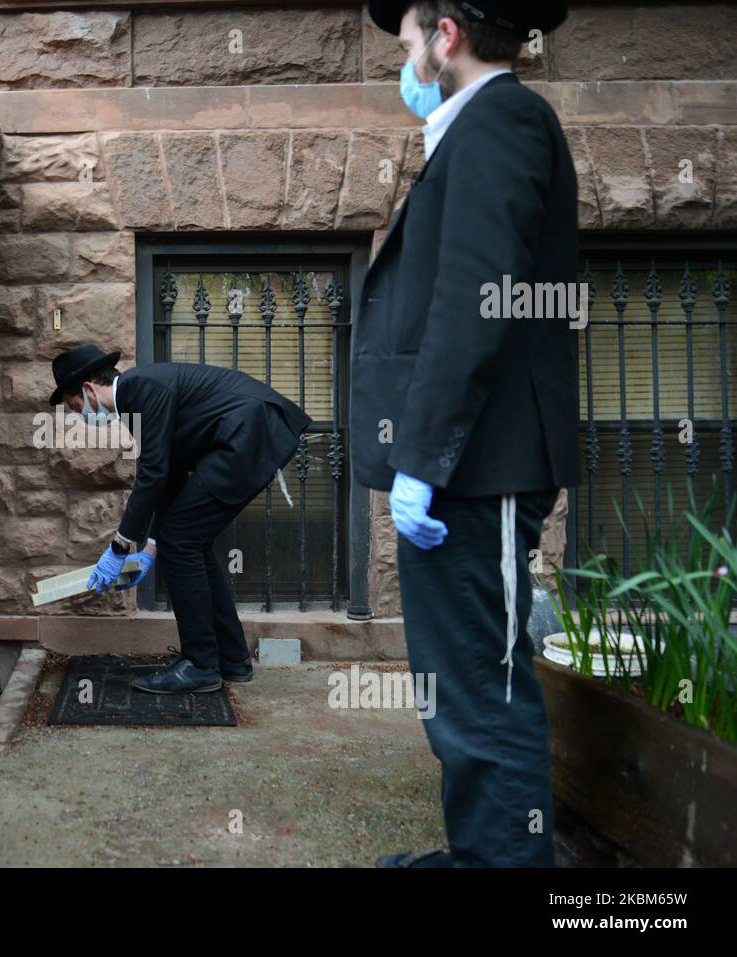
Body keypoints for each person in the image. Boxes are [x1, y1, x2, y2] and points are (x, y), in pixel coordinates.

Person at [354, 0, 581, 867]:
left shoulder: (503, 119)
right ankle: (487, 853)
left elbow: (475, 299)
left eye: (408, 41)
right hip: (470, 466)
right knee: (459, 683)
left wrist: (424, 459)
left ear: (445, 36)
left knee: (482, 687)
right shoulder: (483, 125)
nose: (404, 62)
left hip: (477, 469)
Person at [47, 344, 311, 693]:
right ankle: (231, 658)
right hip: (248, 438)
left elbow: (153, 474)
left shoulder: (140, 389)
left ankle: (201, 664)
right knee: (189, 541)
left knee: (183, 541)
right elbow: (168, 475)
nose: (79, 413)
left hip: (249, 435)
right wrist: (151, 550)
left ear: (89, 389)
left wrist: (120, 546)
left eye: (74, 405)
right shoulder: (138, 396)